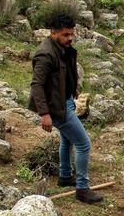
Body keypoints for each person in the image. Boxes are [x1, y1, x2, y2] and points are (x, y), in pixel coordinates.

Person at [28, 14, 102, 204]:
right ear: (53, 33)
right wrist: (45, 114)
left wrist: (74, 89)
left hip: (65, 101)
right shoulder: (45, 54)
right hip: (56, 107)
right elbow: (37, 85)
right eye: (65, 34)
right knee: (84, 144)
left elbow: (66, 71)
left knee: (67, 140)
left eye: (72, 34)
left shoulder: (62, 48)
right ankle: (82, 189)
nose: (70, 38)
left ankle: (65, 175)